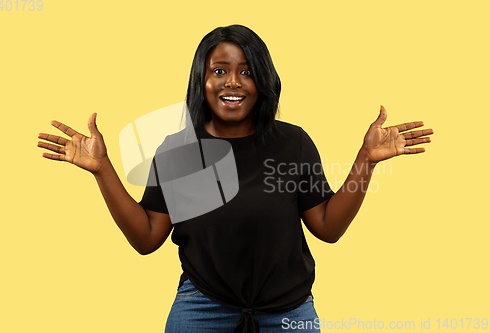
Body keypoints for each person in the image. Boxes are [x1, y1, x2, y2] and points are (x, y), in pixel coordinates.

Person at [37, 25, 433, 332]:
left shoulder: (291, 143)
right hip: (202, 307)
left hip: (288, 310)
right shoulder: (181, 152)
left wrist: (366, 159)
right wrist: (103, 169)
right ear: (202, 80)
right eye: (220, 70)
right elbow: (147, 238)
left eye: (246, 71)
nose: (232, 82)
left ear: (262, 81)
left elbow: (327, 227)